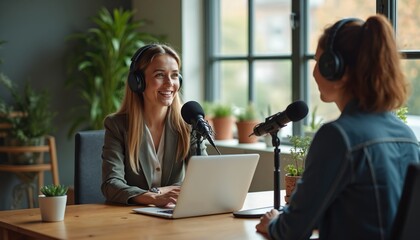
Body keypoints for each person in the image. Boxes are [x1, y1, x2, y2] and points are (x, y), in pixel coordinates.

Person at [256, 14, 420, 240]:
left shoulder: (338, 136)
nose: (314, 72)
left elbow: (291, 230)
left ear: (334, 68)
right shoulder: (407, 135)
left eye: (318, 61)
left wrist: (274, 223)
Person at [101, 43, 207, 207]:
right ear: (138, 82)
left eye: (174, 75)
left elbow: (203, 179)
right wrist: (152, 197)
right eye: (159, 75)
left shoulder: (188, 125)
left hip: (173, 215)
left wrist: (162, 192)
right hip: (129, 219)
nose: (169, 83)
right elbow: (111, 184)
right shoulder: (117, 125)